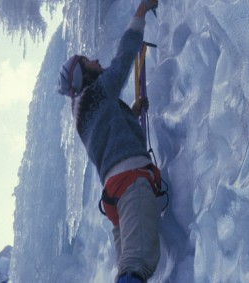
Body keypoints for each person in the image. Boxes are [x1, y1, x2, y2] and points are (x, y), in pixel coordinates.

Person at [57, 1, 160, 282]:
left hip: (115, 193)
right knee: (136, 266)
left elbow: (111, 130)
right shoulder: (98, 93)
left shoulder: (83, 111)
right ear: (85, 75)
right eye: (88, 61)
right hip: (131, 183)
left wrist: (133, 111)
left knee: (128, 268)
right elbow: (124, 58)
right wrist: (140, 13)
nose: (96, 60)